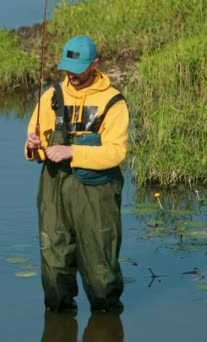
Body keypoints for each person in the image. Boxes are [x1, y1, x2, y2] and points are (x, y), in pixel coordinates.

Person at [24, 35, 129, 313]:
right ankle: (60, 319)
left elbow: (116, 153)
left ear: (95, 64)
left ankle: (106, 321)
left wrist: (73, 153)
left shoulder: (113, 102)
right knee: (55, 265)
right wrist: (33, 147)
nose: (73, 75)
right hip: (54, 188)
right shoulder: (51, 96)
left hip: (96, 193)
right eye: (68, 69)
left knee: (100, 271)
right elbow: (36, 140)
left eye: (80, 69)